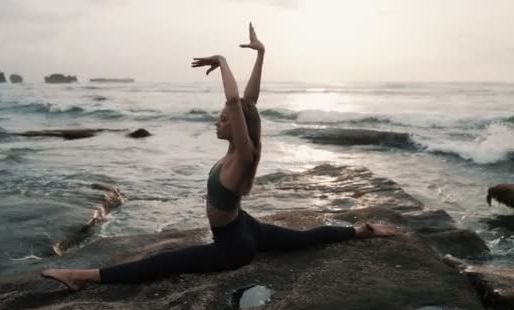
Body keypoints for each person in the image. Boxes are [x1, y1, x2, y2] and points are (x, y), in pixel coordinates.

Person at [41, 23, 400, 291]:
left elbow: (234, 102)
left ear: (238, 126)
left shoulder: (242, 157)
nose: (219, 120)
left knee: (160, 263)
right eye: (221, 117)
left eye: (224, 119)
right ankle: (360, 231)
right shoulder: (237, 151)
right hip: (247, 225)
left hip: (234, 246)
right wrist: (261, 54)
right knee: (304, 238)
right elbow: (247, 100)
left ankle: (79, 277)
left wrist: (225, 60)